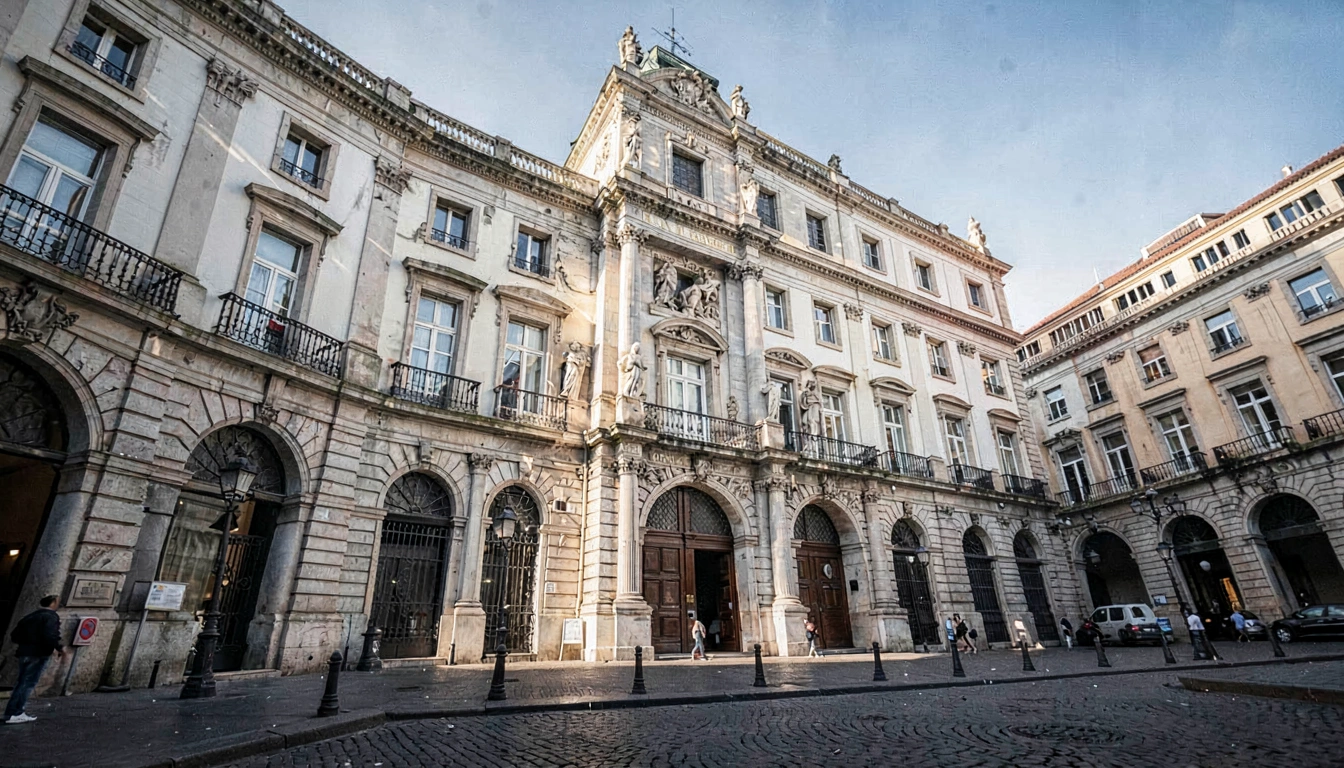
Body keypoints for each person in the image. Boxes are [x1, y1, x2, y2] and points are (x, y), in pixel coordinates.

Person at [5, 595, 65, 725]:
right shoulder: (51, 617)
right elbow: (50, 635)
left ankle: (10, 712)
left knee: (21, 683)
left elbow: (14, 635)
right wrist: (58, 648)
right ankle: (16, 712)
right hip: (38, 654)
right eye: (58, 602)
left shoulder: (30, 616)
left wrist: (27, 643)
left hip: (24, 653)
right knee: (28, 683)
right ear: (53, 603)